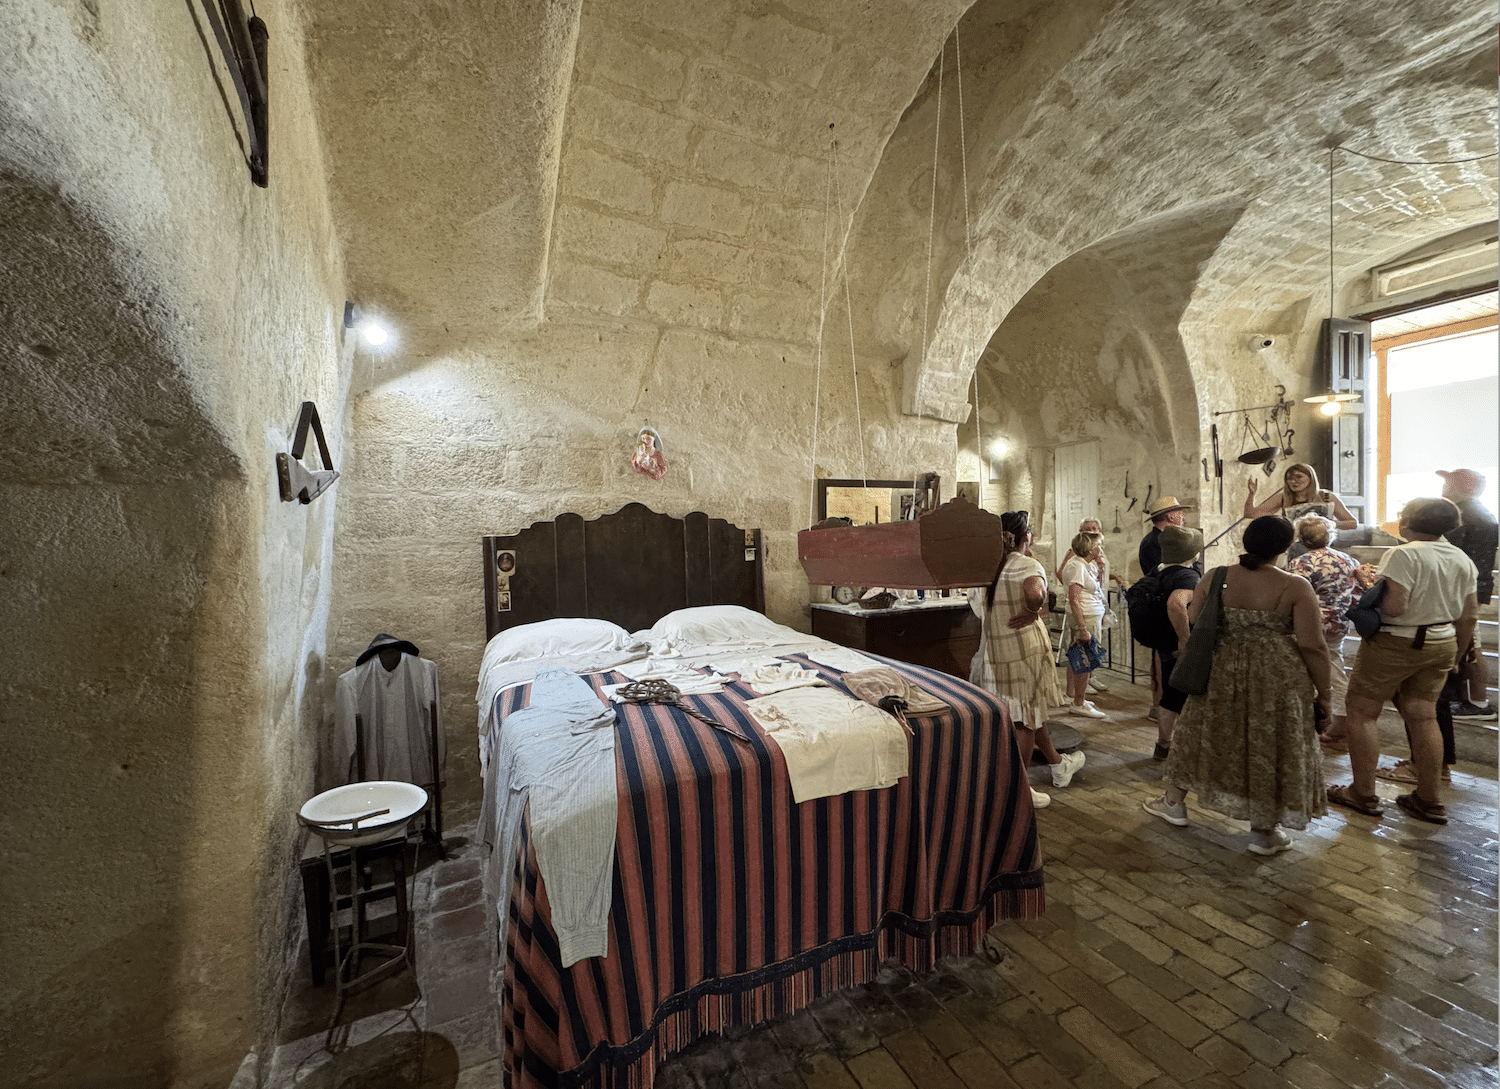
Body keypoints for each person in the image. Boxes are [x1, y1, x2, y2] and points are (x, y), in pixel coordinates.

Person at [1142, 517, 1330, 855]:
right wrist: (1325, 694)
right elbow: (1312, 645)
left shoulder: (1217, 577)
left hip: (1223, 669)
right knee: (1267, 743)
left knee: (1204, 734)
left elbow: (1197, 618)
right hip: (1277, 676)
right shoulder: (1295, 586)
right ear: (1285, 547)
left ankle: (1173, 801)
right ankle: (1262, 832)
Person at [1326, 498, 1479, 826]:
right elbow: (1469, 615)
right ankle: (1429, 799)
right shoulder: (1461, 557)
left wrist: (1370, 589)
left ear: (1408, 522)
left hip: (1396, 642)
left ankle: (1362, 793)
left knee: (1363, 713)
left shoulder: (1403, 553)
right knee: (1424, 717)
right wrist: (1458, 654)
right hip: (1442, 641)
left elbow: (1395, 607)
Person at [969, 510, 1086, 808]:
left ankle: (1057, 763)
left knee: (1028, 711)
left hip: (997, 652)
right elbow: (1035, 594)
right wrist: (1033, 610)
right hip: (1024, 649)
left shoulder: (989, 567)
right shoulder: (1026, 564)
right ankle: (1019, 789)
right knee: (1025, 718)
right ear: (1026, 538)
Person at [1287, 514, 1359, 743]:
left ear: (1302, 538)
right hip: (1339, 620)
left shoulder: (1302, 563)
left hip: (1310, 621)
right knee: (1334, 665)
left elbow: (1295, 595)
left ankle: (1321, 720)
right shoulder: (1348, 559)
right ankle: (1339, 720)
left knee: (1309, 669)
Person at [1438, 468, 1497, 720]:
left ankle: (1479, 703)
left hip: (1463, 590)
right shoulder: (1478, 512)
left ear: (1464, 486)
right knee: (1469, 641)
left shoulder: (1467, 515)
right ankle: (1465, 696)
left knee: (1472, 645)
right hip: (1471, 586)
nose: (1444, 488)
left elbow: (1449, 551)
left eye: (1449, 483)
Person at [1146, 525, 1203, 759]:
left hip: (1162, 640)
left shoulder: (1158, 570)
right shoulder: (1187, 576)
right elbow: (1175, 604)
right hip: (1177, 643)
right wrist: (1185, 640)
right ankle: (1179, 747)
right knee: (1182, 695)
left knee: (1169, 693)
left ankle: (1163, 744)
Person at [1138, 496, 1194, 719]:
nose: (1183, 517)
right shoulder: (1155, 542)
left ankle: (1164, 706)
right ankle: (1161, 706)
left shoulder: (1160, 540)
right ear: (1170, 516)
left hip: (1166, 604)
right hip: (1165, 607)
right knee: (1163, 658)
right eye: (1179, 513)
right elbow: (1163, 574)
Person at [1057, 517, 1124, 695]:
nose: (1093, 531)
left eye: (1095, 528)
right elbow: (1066, 576)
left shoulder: (1095, 555)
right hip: (1085, 608)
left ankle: (1085, 682)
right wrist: (1074, 591)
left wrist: (1109, 575)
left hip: (1095, 603)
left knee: (1087, 648)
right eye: (1088, 530)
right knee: (1082, 649)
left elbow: (1093, 577)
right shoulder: (1076, 558)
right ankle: (1078, 691)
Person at [1060, 530, 1108, 718]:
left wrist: (1102, 569)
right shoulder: (1077, 566)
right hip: (1086, 617)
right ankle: (1078, 703)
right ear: (1089, 548)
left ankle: (1080, 697)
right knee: (1086, 658)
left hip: (1090, 614)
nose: (1101, 548)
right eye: (1098, 545)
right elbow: (1074, 598)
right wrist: (1082, 628)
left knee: (1084, 657)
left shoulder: (1084, 565)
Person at [1244, 462, 1357, 532]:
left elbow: (1352, 523)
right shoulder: (1283, 497)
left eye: (1299, 477)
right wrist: (1251, 495)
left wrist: (1329, 523)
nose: (1294, 481)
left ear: (1311, 478)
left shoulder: (1326, 497)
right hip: (1291, 546)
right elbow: (1251, 514)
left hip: (1320, 546)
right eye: (1290, 478)